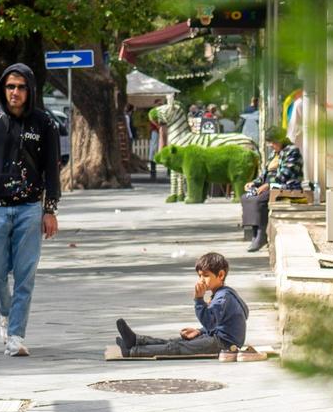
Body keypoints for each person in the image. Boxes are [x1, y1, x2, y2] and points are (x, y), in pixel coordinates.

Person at [0, 63, 61, 357]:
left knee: (24, 275)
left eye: (20, 87)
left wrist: (50, 209)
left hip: (30, 209)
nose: (15, 92)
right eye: (10, 87)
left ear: (29, 90)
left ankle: (16, 335)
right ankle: (6, 310)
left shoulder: (45, 124)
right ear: (3, 89)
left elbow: (51, 170)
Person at [114, 252, 248, 358]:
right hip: (217, 337)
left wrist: (199, 300)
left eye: (205, 276)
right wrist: (199, 331)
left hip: (224, 344)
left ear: (220, 275)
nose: (201, 280)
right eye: (199, 276)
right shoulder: (225, 294)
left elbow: (210, 323)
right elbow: (220, 322)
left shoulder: (222, 297)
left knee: (178, 348)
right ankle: (136, 341)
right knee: (177, 341)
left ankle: (133, 351)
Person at [241, 127, 304, 252]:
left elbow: (286, 174)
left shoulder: (292, 151)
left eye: (274, 142)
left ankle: (262, 234)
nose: (272, 145)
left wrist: (269, 185)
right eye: (270, 142)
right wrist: (253, 183)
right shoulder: (273, 154)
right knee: (247, 197)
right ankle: (255, 233)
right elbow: (264, 174)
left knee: (259, 200)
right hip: (269, 185)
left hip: (286, 186)